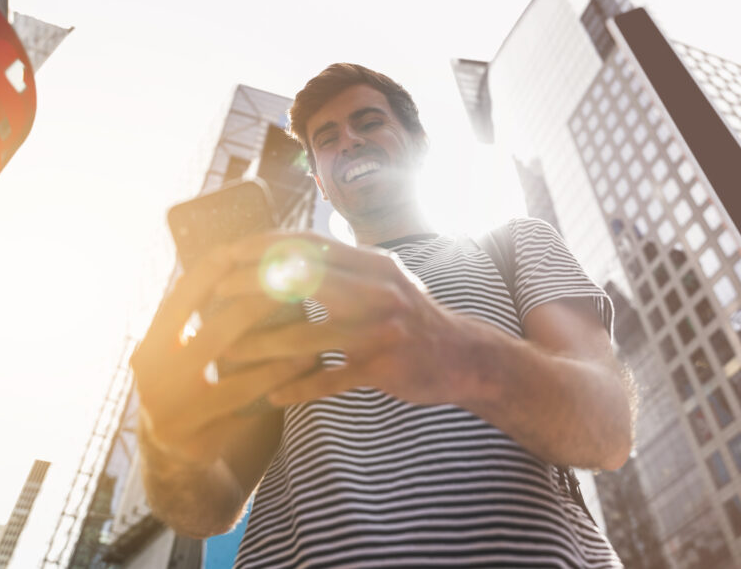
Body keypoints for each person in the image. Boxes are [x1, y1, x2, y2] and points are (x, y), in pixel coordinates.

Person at [131, 63, 634, 567]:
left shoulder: (515, 246)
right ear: (321, 184)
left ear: (418, 144)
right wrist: (169, 445)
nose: (347, 141)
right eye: (326, 139)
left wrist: (461, 353)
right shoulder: (283, 305)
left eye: (369, 122)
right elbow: (211, 509)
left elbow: (608, 429)